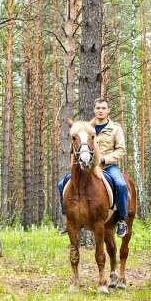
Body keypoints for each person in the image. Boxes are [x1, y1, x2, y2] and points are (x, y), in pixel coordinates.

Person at [58, 98, 130, 237]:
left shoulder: (115, 128)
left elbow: (121, 150)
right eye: (98, 108)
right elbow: (75, 145)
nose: (101, 111)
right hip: (86, 166)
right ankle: (67, 218)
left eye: (104, 108)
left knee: (121, 184)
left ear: (108, 110)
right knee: (61, 184)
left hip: (107, 166)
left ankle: (121, 219)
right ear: (94, 110)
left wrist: (104, 159)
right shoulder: (85, 128)